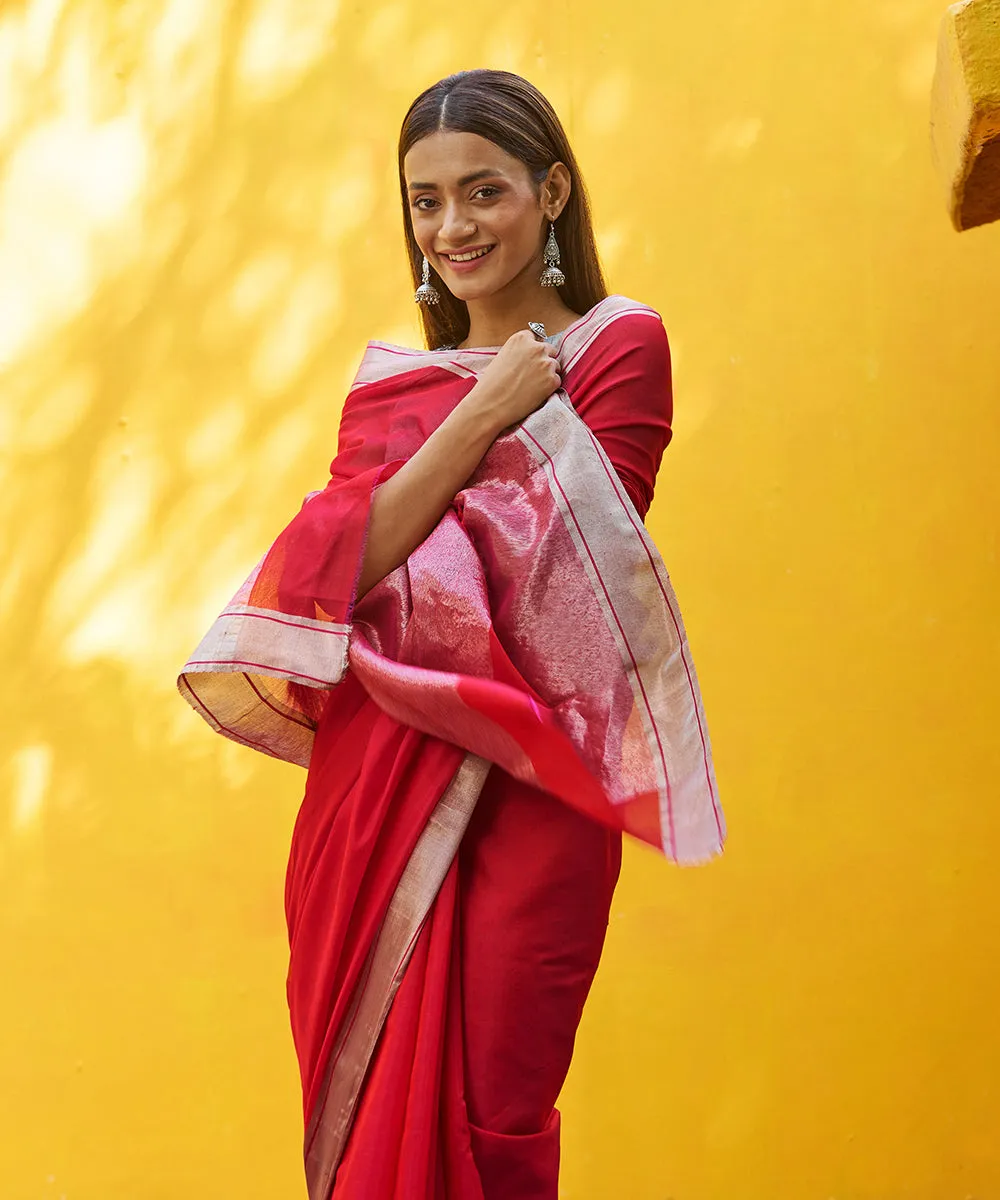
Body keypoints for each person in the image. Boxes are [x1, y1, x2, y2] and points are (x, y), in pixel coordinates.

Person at [178, 68, 723, 1200]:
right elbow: (336, 578)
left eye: (483, 191)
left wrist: (395, 517)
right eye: (425, 201)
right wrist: (482, 411)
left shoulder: (621, 348)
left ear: (552, 188)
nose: (453, 227)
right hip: (370, 794)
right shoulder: (393, 390)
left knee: (498, 1112)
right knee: (372, 1101)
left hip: (536, 788)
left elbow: (550, 581)